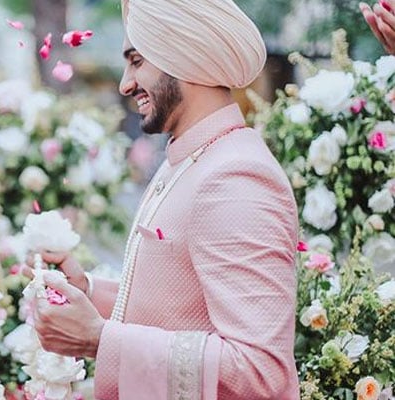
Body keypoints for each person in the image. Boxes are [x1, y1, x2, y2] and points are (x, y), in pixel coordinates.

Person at [31, 1, 300, 399]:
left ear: (183, 55)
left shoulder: (235, 176)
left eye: (136, 62)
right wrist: (87, 290)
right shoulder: (193, 156)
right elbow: (178, 307)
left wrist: (100, 339)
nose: (125, 84)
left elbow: (259, 371)